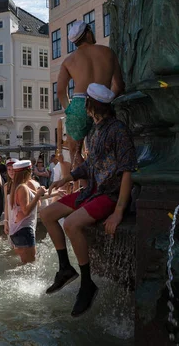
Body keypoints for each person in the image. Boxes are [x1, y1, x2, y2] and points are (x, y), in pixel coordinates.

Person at [43, 83, 137, 317]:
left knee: (71, 224)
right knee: (47, 214)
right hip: (91, 191)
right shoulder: (95, 132)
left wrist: (118, 211)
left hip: (109, 195)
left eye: (85, 104)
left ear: (91, 105)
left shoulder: (118, 130)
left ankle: (87, 283)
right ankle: (65, 268)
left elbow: (128, 170)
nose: (83, 108)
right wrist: (66, 179)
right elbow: (90, 165)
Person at [57, 21, 125, 174]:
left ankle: (86, 187)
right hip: (103, 103)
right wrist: (108, 97)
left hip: (79, 102)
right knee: (104, 149)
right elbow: (119, 85)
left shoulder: (68, 61)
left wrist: (70, 110)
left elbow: (61, 91)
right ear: (88, 33)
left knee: (75, 153)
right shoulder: (108, 52)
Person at [6, 160, 46, 264]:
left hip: (17, 231)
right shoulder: (22, 188)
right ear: (28, 172)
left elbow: (41, 194)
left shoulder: (18, 186)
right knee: (31, 266)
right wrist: (37, 196)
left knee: (24, 265)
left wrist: (57, 193)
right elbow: (26, 211)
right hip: (24, 230)